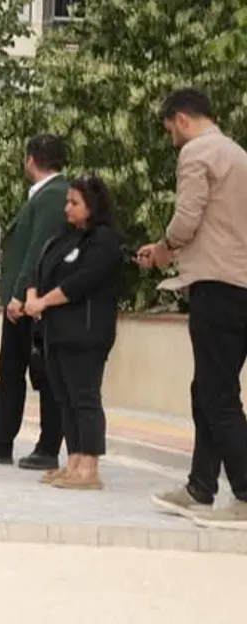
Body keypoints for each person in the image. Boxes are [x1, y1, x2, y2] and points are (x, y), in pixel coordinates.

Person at [139, 88, 247, 526]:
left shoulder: (198, 153)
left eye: (170, 130)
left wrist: (164, 248)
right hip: (239, 284)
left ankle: (244, 494)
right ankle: (200, 487)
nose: (172, 139)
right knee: (207, 390)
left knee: (217, 395)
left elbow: (187, 218)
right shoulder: (238, 154)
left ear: (181, 119)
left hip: (216, 284)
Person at [0, 134, 68, 469]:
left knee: (44, 375)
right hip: (22, 301)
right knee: (10, 371)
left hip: (32, 302)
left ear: (30, 159)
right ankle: (0, 442)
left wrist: (21, 293)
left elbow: (38, 249)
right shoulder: (43, 194)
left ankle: (47, 448)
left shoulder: (54, 195)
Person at [25, 176, 123, 489]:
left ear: (92, 206)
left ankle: (90, 467)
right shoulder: (65, 238)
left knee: (85, 398)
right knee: (65, 398)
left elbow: (80, 282)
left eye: (74, 203)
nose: (67, 208)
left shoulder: (104, 240)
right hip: (57, 331)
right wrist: (32, 295)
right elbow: (41, 269)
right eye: (67, 201)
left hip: (87, 332)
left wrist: (43, 301)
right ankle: (74, 461)